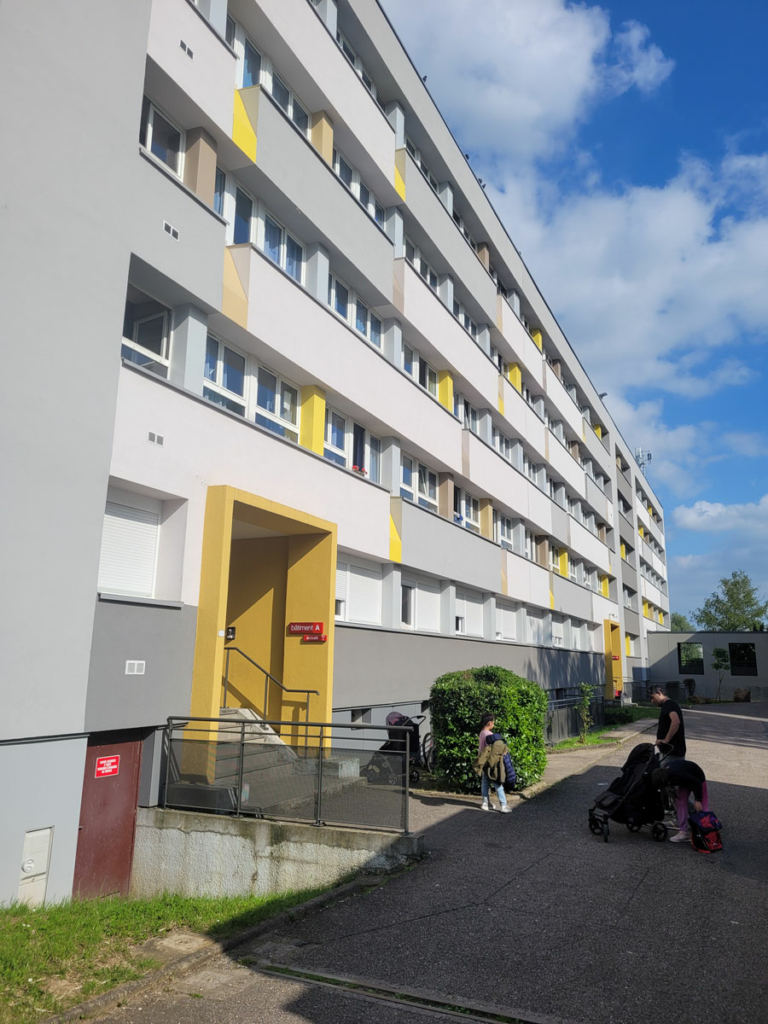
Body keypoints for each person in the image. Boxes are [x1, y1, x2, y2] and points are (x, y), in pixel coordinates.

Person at [651, 758, 709, 843]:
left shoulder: (678, 773)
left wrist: (698, 799)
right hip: (684, 781)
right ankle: (683, 832)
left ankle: (708, 831)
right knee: (680, 803)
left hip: (697, 778)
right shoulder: (664, 773)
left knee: (703, 806)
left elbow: (696, 782)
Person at [474, 727, 510, 813]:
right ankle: (503, 805)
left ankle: (485, 803)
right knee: (498, 784)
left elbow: (481, 750)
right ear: (490, 723)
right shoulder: (491, 736)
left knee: (485, 784)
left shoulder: (482, 733)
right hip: (494, 767)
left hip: (485, 765)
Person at [650, 685, 686, 758]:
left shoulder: (669, 705)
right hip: (670, 752)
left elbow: (676, 721)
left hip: (671, 753)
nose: (652, 701)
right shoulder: (669, 705)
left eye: (652, 697)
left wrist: (666, 739)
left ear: (659, 693)